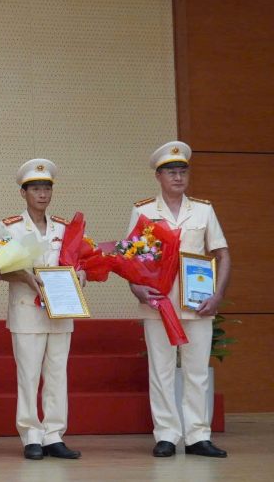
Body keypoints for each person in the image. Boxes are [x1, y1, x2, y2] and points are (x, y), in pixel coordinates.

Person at [129, 141, 230, 458]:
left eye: (182, 171)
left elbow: (222, 254)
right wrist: (136, 288)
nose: (178, 176)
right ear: (158, 176)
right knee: (161, 372)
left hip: (197, 304)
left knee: (197, 372)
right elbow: (130, 258)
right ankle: (167, 435)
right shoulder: (144, 211)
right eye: (171, 171)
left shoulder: (203, 210)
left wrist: (217, 295)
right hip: (157, 304)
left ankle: (198, 436)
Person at [0, 159, 82, 460]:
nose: (42, 194)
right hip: (26, 311)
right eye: (35, 189)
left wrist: (81, 274)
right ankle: (31, 435)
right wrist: (25, 276)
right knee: (29, 376)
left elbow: (74, 262)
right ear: (23, 193)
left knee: (57, 375)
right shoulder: (10, 227)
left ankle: (54, 435)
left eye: (46, 188)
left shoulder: (64, 227)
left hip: (60, 310)